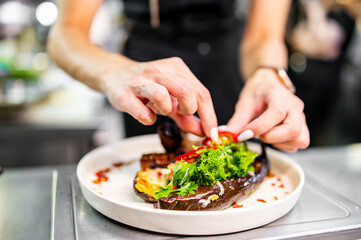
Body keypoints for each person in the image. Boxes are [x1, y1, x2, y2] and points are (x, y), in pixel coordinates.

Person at [47, 0, 310, 152]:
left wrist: (270, 73)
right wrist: (113, 71)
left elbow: (265, 35)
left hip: (230, 64)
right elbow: (65, 35)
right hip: (148, 73)